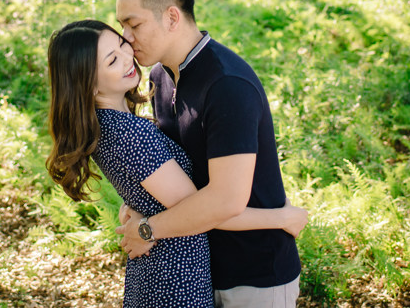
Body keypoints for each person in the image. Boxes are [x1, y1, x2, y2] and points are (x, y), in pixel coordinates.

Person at [46, 19, 308, 308]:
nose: (127, 59)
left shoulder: (108, 127)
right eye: (112, 61)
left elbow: (145, 189)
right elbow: (205, 208)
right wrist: (281, 219)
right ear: (89, 85)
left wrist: (136, 211)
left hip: (162, 269)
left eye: (123, 46)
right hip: (174, 277)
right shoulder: (131, 134)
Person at [111, 0, 302, 307]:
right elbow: (174, 173)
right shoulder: (159, 77)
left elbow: (226, 200)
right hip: (197, 269)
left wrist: (147, 229)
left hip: (254, 276)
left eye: (133, 24)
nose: (125, 39)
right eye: (121, 25)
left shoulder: (227, 84)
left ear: (171, 17)